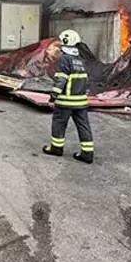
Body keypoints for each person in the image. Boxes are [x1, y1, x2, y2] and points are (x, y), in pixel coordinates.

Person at [42, 29, 94, 164]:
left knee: (59, 124)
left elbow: (61, 80)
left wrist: (53, 97)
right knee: (84, 126)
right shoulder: (80, 60)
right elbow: (86, 82)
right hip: (81, 102)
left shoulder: (65, 59)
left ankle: (56, 148)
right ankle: (87, 153)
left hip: (66, 102)